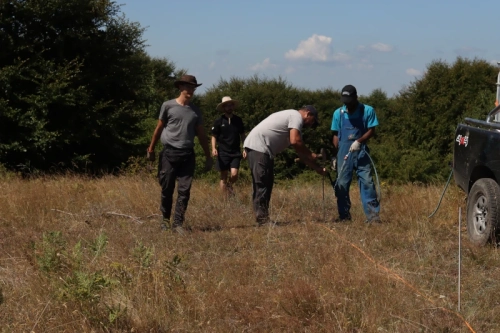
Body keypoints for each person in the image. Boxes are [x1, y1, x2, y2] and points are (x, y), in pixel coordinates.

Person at [147, 74, 212, 232]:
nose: (190, 90)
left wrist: (208, 156)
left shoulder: (195, 112)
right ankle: (165, 221)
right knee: (167, 188)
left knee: (184, 191)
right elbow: (159, 128)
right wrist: (151, 149)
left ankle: (178, 224)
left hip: (187, 155)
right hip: (169, 153)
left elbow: (202, 135)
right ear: (180, 87)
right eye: (188, 87)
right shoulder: (168, 106)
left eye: (193, 87)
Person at [243, 106, 326, 225]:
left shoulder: (294, 127)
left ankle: (262, 217)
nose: (311, 125)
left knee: (267, 182)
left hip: (263, 149)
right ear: (308, 114)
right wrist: (311, 154)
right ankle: (262, 219)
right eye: (312, 121)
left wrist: (317, 168)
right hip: (259, 147)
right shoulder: (295, 116)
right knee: (262, 182)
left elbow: (300, 152)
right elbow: (295, 141)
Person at [331, 84, 381, 223]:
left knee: (367, 183)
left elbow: (372, 130)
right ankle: (344, 217)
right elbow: (335, 134)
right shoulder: (338, 113)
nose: (347, 105)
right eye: (344, 101)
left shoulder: (367, 110)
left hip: (361, 152)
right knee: (341, 184)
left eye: (349, 101)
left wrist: (359, 141)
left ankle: (373, 218)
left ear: (356, 98)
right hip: (343, 153)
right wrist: (335, 155)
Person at [211, 96, 246, 197]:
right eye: (227, 106)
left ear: (233, 106)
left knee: (234, 174)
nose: (229, 107)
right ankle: (225, 199)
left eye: (231, 105)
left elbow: (243, 135)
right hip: (222, 152)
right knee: (223, 176)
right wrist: (213, 148)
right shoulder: (219, 121)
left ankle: (229, 186)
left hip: (235, 152)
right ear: (224, 108)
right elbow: (213, 136)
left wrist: (245, 148)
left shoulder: (238, 120)